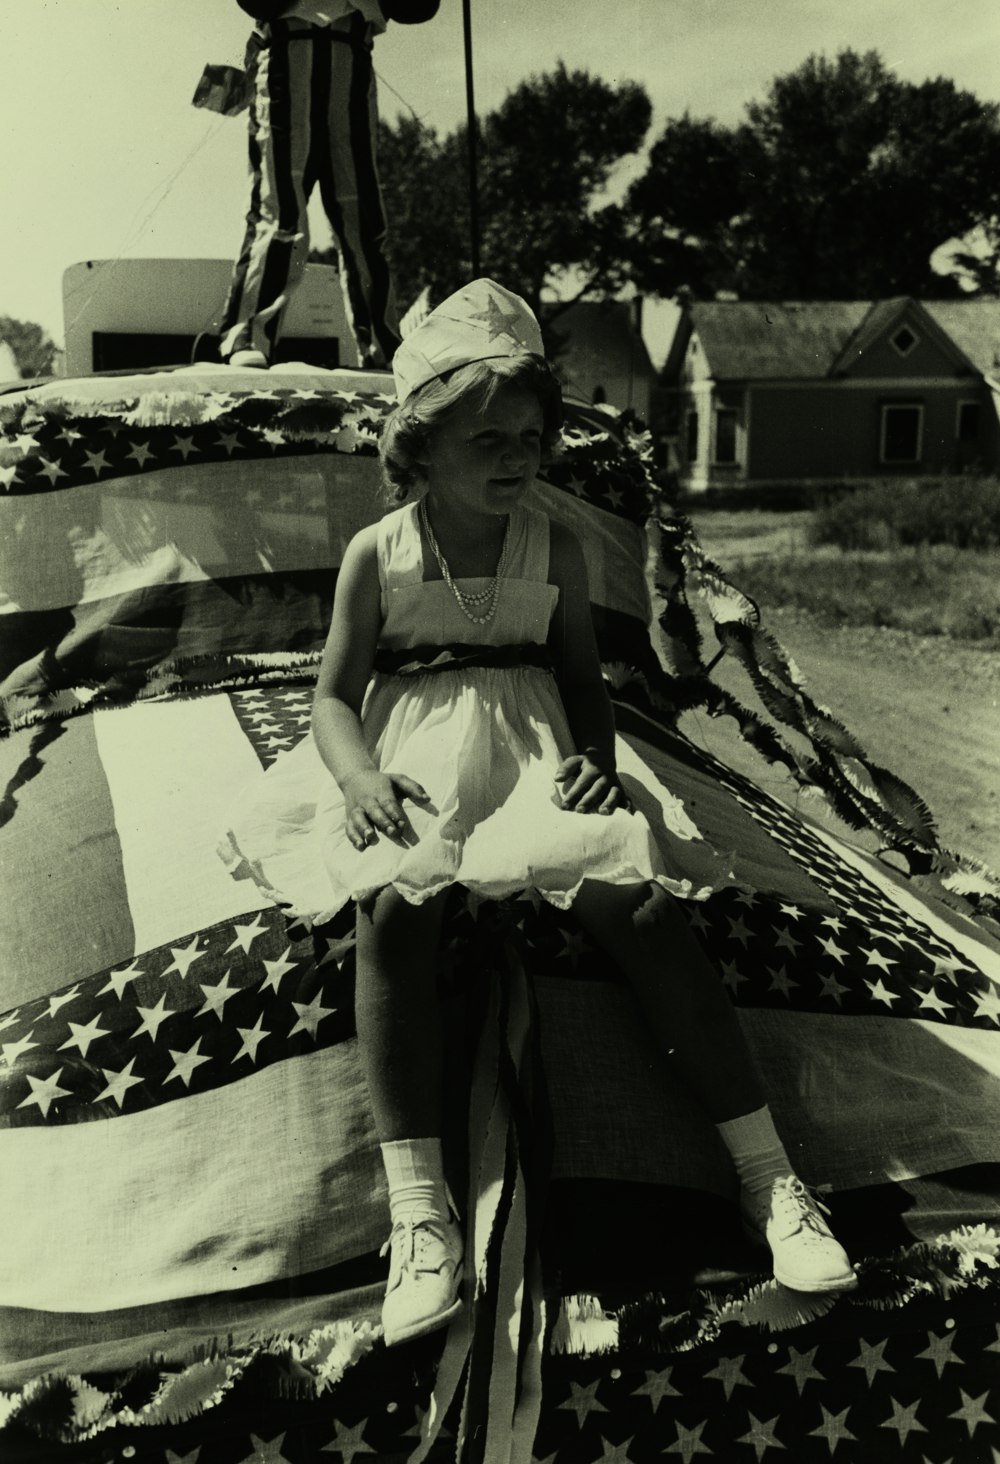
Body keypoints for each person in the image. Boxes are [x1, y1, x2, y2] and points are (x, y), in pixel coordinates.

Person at [223, 278, 857, 1346]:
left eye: (530, 435)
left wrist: (598, 763)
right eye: (487, 440)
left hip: (531, 749)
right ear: (418, 450)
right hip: (411, 753)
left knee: (636, 896)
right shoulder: (378, 556)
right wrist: (359, 779)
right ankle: (421, 1217)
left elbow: (579, 680)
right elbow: (333, 697)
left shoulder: (553, 545)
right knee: (395, 903)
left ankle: (770, 1181)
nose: (517, 458)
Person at [215, 0, 439, 370]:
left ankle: (382, 345)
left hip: (351, 53)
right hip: (288, 53)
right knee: (280, 209)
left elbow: (418, 7)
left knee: (362, 216)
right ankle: (248, 335)